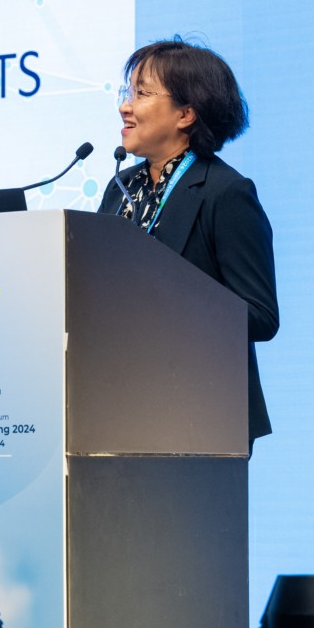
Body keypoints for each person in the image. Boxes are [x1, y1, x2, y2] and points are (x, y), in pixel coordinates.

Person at [97, 37, 279, 450]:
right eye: (127, 92)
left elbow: (261, 316)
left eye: (141, 93)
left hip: (201, 413)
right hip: (116, 403)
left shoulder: (225, 192)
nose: (125, 106)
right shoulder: (121, 187)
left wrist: (165, 301)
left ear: (186, 113)